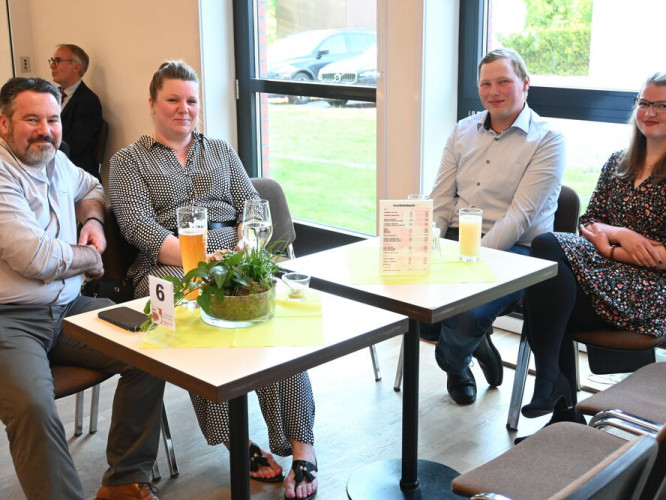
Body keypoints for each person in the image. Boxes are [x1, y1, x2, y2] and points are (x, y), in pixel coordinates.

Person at [109, 61, 317, 500]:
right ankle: (236, 441)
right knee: (196, 320)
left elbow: (251, 206)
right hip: (167, 264)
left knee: (274, 324)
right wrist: (203, 261)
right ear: (152, 103)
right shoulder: (128, 161)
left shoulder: (220, 150)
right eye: (172, 99)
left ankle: (303, 446)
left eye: (191, 100)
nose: (183, 109)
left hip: (234, 255)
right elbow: (138, 228)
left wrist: (242, 247)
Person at [0, 77, 165, 500]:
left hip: (69, 307)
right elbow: (36, 259)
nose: (45, 130)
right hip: (10, 321)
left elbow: (92, 187)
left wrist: (92, 221)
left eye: (53, 119)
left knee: (155, 348)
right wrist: (90, 258)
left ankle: (125, 480)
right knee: (34, 407)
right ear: (3, 123)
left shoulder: (54, 160)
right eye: (32, 119)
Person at [520, 72, 666, 427]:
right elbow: (589, 223)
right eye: (644, 103)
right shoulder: (618, 161)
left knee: (546, 281)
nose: (650, 112)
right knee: (550, 281)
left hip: (651, 292)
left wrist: (612, 248)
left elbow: (660, 259)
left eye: (662, 105)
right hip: (602, 275)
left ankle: (556, 397)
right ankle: (555, 393)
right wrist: (622, 234)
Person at [425, 48, 566, 405]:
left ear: (525, 84)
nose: (493, 91)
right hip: (457, 236)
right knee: (416, 307)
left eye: (503, 81)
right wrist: (428, 246)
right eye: (486, 83)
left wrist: (466, 263)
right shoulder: (462, 131)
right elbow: (440, 198)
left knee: (465, 314)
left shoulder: (548, 139)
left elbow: (519, 218)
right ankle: (477, 344)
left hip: (516, 250)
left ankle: (455, 363)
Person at [50, 44, 103, 179]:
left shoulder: (88, 101)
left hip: (74, 172)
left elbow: (75, 146)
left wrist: (41, 145)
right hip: (51, 164)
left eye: (57, 61)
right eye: (52, 60)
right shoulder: (51, 95)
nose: (52, 66)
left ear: (76, 67)